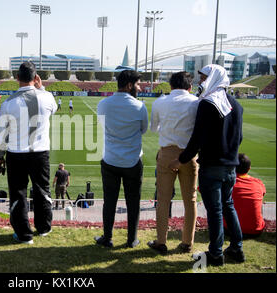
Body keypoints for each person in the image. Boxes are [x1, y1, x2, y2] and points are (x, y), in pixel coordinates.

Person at [169, 64, 244, 266]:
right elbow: (240, 137)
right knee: (228, 206)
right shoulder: (236, 105)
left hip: (212, 166)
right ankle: (237, 248)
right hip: (230, 166)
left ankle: (216, 253)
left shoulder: (208, 104)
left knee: (216, 211)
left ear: (212, 78)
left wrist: (181, 159)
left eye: (203, 78)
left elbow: (197, 139)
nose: (201, 82)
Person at [0, 61, 57, 244]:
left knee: (18, 193)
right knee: (42, 190)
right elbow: (53, 108)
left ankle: (24, 235)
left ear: (17, 78)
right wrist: (42, 87)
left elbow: (1, 133)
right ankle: (44, 227)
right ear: (35, 77)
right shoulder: (47, 98)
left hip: (16, 154)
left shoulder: (8, 103)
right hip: (40, 153)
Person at [148, 71, 200, 255]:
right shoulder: (196, 103)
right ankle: (187, 242)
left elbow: (154, 128)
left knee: (162, 200)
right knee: (190, 200)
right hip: (189, 154)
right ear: (190, 87)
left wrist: (168, 128)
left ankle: (161, 241)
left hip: (167, 153)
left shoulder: (160, 102)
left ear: (170, 86)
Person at [95, 70, 148, 248]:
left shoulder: (103, 104)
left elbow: (103, 125)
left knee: (109, 201)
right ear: (129, 85)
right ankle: (131, 239)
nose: (140, 88)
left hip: (110, 159)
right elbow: (143, 129)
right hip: (132, 161)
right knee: (133, 202)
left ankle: (107, 237)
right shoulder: (140, 107)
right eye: (138, 84)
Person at [225, 153, 266, 236]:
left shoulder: (227, 181)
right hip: (256, 231)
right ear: (249, 168)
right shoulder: (258, 183)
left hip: (230, 230)